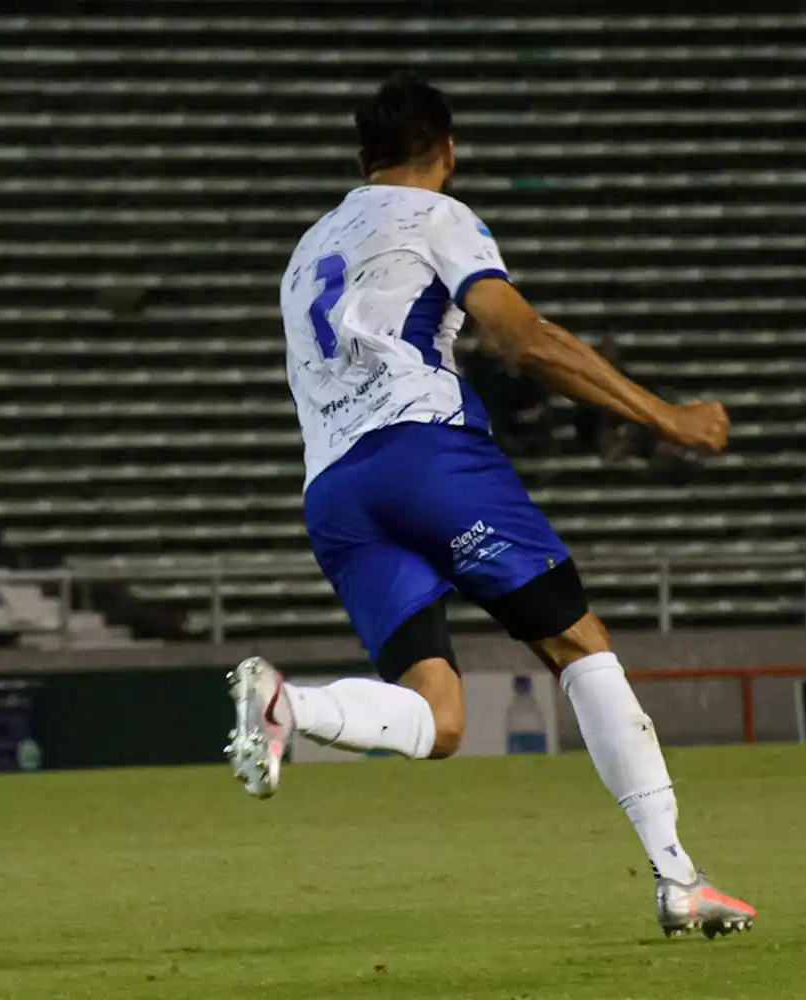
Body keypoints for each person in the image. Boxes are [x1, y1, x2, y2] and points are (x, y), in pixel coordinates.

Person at [228, 71, 754, 939]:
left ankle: (290, 705)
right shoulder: (438, 216)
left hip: (334, 493)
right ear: (447, 149)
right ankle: (677, 877)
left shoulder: (307, 249)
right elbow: (521, 339)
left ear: (363, 158)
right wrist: (668, 418)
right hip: (424, 456)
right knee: (578, 642)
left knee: (438, 720)